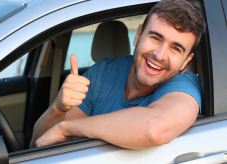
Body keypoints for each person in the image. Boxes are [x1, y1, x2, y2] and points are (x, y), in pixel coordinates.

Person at [30, 0, 206, 149]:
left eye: (175, 48)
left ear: (185, 61)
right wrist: (58, 108)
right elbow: (38, 145)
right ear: (138, 35)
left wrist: (67, 128)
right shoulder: (102, 72)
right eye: (155, 38)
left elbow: (153, 128)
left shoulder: (184, 87)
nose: (159, 55)